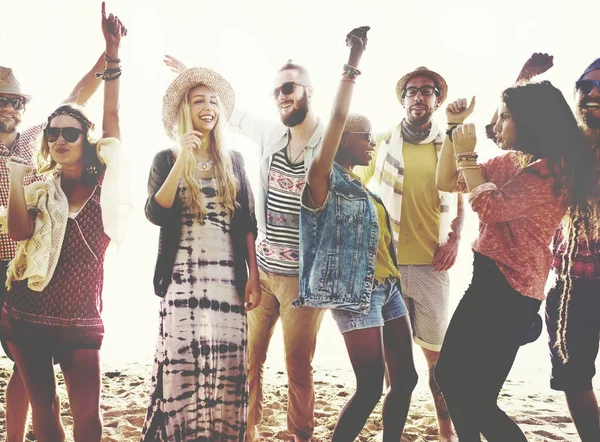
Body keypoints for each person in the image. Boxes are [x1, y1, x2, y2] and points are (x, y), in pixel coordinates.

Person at [164, 52, 326, 442]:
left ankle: (301, 434)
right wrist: (192, 77)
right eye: (276, 91)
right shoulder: (271, 134)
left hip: (304, 280)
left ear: (309, 91)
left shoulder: (329, 139)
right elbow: (228, 113)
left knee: (298, 366)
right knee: (249, 358)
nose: (282, 96)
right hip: (265, 271)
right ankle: (248, 429)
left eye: (289, 87)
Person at [434, 81, 594, 441]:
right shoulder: (512, 160)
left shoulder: (554, 170)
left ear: (530, 121)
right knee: (454, 381)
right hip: (486, 281)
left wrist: (467, 155)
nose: (497, 125)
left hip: (512, 291)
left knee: (473, 394)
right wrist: (451, 131)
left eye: (505, 117)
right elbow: (446, 180)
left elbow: (491, 207)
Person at [0, 3, 128, 442]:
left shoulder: (39, 138)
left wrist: (108, 55)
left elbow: (80, 102)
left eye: (15, 101)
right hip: (20, 274)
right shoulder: (43, 166)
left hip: (38, 267)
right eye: (1, 100)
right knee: (32, 380)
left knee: (36, 379)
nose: (9, 107)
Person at [295, 26, 418, 442]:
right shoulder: (322, 180)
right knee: (369, 387)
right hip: (355, 295)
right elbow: (334, 118)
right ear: (344, 140)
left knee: (406, 380)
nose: (371, 145)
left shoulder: (365, 192)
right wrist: (354, 61)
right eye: (365, 137)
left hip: (388, 289)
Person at [141, 65, 260, 441]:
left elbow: (248, 224)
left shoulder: (235, 160)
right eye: (198, 101)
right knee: (182, 363)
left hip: (228, 279)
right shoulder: (165, 157)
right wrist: (182, 159)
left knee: (227, 363)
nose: (207, 107)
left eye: (212, 101)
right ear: (185, 110)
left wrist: (253, 275)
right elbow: (156, 212)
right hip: (181, 277)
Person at [358, 65, 463, 441]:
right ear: (403, 99)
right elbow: (355, 178)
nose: (420, 96)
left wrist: (455, 240)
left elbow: (459, 193)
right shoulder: (383, 142)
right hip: (387, 267)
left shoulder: (447, 143)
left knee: (437, 362)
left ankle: (446, 431)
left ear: (437, 99)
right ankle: (394, 432)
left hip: (432, 267)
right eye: (413, 91)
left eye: (428, 90)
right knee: (395, 364)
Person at [545, 57, 600, 442]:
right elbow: (517, 128)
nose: (593, 93)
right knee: (573, 376)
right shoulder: (564, 147)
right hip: (571, 284)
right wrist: (525, 78)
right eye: (586, 87)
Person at [485, 52, 554, 141]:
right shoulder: (516, 154)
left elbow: (494, 133)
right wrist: (522, 78)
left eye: (505, 117)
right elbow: (493, 132)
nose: (496, 128)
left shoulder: (549, 154)